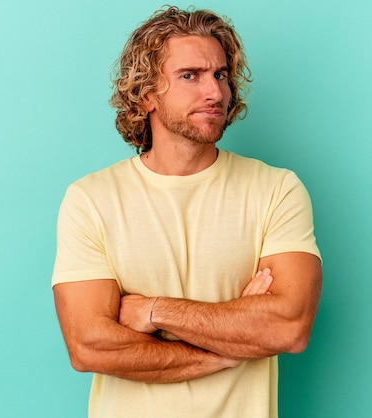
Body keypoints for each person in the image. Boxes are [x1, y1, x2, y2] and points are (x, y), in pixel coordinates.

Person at [52, 6, 322, 418]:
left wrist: (153, 311)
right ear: (146, 94)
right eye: (189, 76)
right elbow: (89, 346)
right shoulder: (91, 198)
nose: (214, 92)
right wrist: (229, 352)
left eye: (220, 75)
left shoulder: (276, 189)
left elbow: (288, 327)